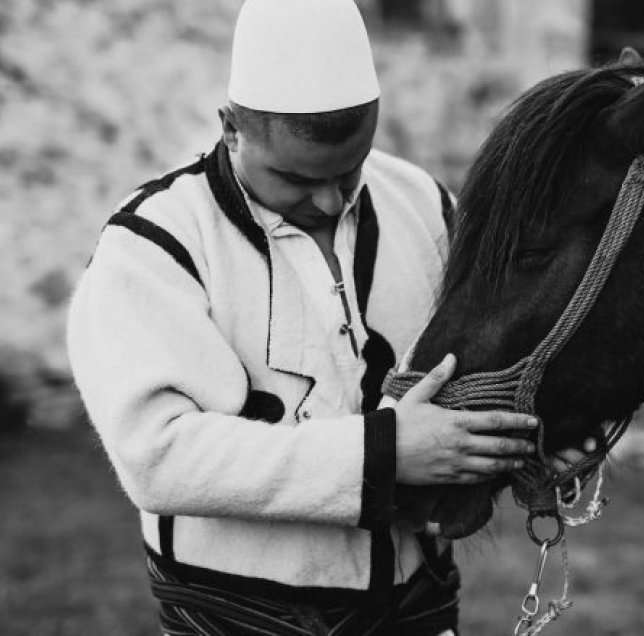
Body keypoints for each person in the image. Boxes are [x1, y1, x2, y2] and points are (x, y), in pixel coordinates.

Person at [66, 1, 541, 633]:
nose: (328, 200)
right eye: (294, 178)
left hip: (418, 604)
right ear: (231, 127)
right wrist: (381, 454)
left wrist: (538, 440)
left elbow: (486, 361)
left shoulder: (424, 204)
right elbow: (156, 454)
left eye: (349, 172)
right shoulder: (154, 242)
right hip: (236, 613)